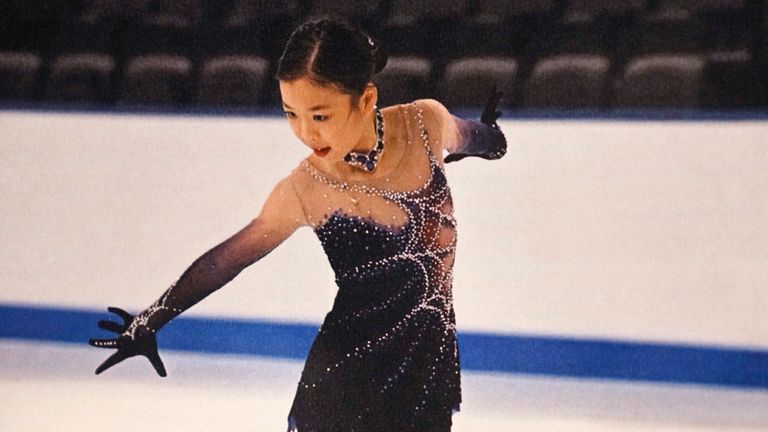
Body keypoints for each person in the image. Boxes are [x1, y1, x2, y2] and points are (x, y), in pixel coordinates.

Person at [89, 18, 507, 432]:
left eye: (320, 116)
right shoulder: (307, 186)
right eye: (291, 114)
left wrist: (491, 140)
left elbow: (475, 137)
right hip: (343, 376)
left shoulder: (423, 124)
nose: (305, 132)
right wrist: (151, 320)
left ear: (365, 101)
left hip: (425, 367)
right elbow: (226, 260)